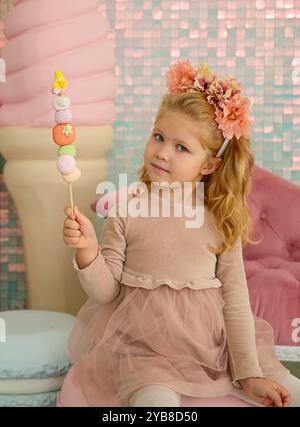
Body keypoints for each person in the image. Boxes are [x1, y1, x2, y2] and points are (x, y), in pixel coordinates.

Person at [61, 61, 300, 407]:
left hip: (214, 345)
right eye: (158, 137)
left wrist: (248, 372)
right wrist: (86, 250)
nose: (161, 151)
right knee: (154, 403)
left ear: (208, 165)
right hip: (146, 352)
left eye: (181, 147)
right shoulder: (128, 211)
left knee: (289, 391)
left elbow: (234, 299)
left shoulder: (220, 220)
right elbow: (105, 291)